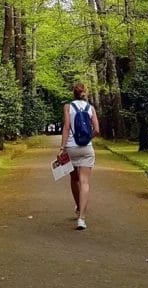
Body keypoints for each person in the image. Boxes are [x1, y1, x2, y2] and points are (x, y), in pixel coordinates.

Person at [57, 82, 100, 230]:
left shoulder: (68, 107)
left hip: (71, 148)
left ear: (73, 93)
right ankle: (82, 218)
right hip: (86, 148)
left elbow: (66, 127)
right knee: (84, 182)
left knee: (74, 179)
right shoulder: (91, 108)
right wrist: (88, 138)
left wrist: (62, 148)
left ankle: (78, 207)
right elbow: (97, 130)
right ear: (85, 93)